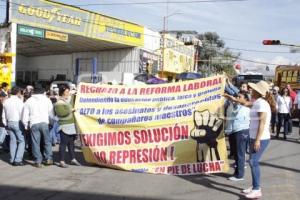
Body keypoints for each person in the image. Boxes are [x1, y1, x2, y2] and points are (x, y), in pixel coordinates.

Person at [225, 80, 276, 199]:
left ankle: (257, 189)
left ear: (258, 92)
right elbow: (244, 103)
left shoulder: (261, 103)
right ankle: (254, 186)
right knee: (252, 162)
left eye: (253, 89)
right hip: (254, 137)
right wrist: (230, 97)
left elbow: (262, 124)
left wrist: (257, 140)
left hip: (261, 138)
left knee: (253, 162)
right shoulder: (257, 102)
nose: (251, 91)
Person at [22, 85, 54, 168]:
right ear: (42, 91)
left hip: (34, 123)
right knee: (47, 141)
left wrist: (26, 125)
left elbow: (25, 115)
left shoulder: (29, 100)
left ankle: (38, 161)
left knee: (35, 143)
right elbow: (51, 113)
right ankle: (48, 158)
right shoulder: (47, 100)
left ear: (34, 92)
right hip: (44, 122)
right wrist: (51, 122)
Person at [226, 91, 250, 181]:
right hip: (233, 131)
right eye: (237, 96)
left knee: (240, 154)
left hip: (241, 131)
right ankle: (237, 172)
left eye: (240, 97)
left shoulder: (246, 107)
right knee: (236, 154)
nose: (237, 98)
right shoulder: (233, 105)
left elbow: (236, 115)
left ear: (246, 99)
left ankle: (240, 175)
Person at [54, 85, 81, 168]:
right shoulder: (59, 102)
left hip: (71, 125)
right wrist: (71, 110)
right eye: (66, 92)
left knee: (71, 144)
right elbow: (61, 113)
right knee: (63, 144)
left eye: (68, 91)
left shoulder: (68, 100)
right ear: (62, 93)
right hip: (64, 125)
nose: (68, 93)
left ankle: (73, 159)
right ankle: (62, 161)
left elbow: (74, 97)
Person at [3, 86, 25, 166]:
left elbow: (3, 114)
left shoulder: (6, 101)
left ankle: (12, 159)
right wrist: (25, 125)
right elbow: (22, 114)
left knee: (13, 141)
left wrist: (5, 123)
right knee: (21, 141)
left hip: (9, 122)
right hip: (17, 122)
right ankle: (18, 160)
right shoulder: (19, 102)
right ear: (18, 92)